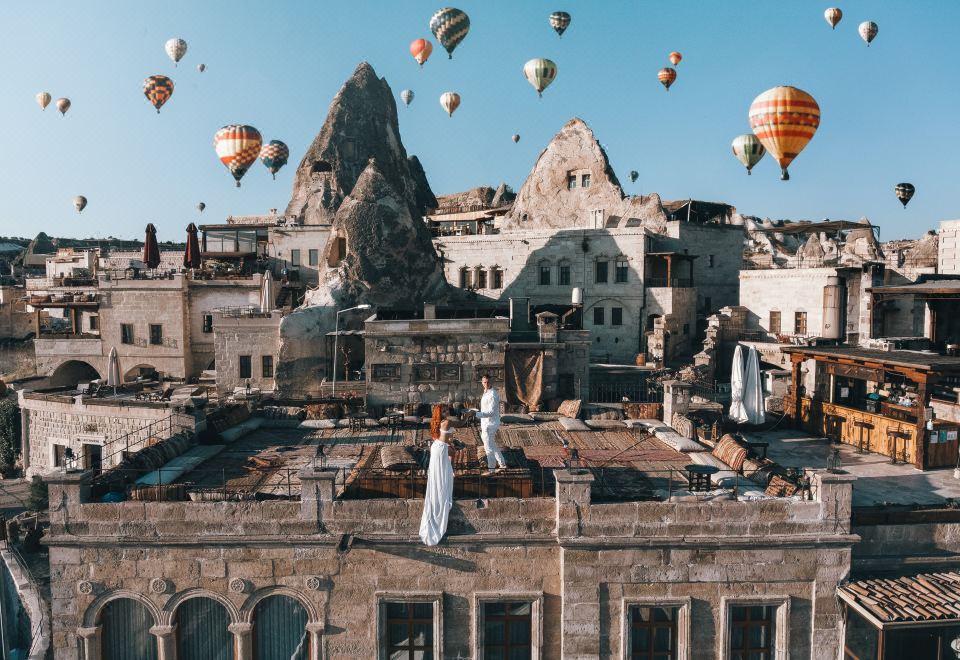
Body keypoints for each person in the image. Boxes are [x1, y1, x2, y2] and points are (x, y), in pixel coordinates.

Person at [419, 419, 454, 546]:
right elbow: (447, 423)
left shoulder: (441, 446)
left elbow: (450, 457)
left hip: (441, 466)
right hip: (440, 471)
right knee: (440, 494)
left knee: (440, 491)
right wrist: (465, 419)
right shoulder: (440, 445)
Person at [473, 374, 507, 474]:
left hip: (490, 424)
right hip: (485, 422)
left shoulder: (493, 394)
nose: (486, 384)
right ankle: (502, 464)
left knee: (488, 447)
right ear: (482, 383)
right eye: (484, 382)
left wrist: (476, 414)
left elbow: (491, 412)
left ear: (491, 382)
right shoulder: (485, 392)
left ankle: (491, 470)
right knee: (491, 444)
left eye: (488, 382)